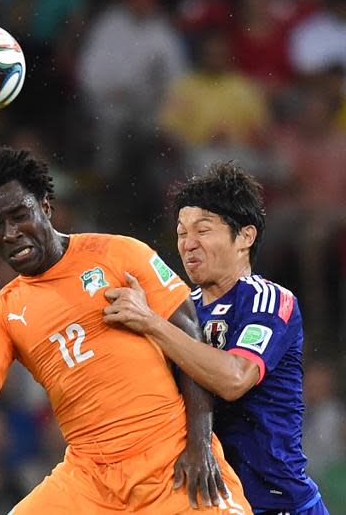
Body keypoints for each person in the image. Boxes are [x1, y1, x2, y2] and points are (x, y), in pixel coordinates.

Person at [0, 146, 251, 513]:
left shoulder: (118, 255)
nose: (11, 233)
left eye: (19, 215)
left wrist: (199, 444)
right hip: (89, 480)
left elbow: (192, 344)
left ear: (45, 206)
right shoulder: (4, 309)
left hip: (168, 459)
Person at [103, 161, 329, 514]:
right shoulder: (176, 309)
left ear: (245, 237)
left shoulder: (267, 300)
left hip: (277, 502)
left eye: (203, 230)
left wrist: (150, 323)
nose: (188, 244)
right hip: (205, 502)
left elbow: (234, 379)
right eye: (181, 233)